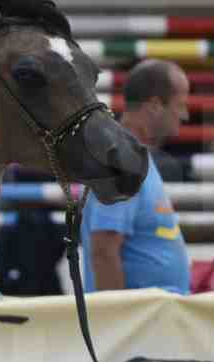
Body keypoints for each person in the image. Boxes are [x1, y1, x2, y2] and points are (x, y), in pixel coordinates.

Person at [79, 59, 192, 294]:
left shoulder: (133, 156)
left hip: (152, 321)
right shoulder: (121, 160)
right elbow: (104, 251)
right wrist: (121, 324)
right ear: (155, 105)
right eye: (180, 105)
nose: (184, 115)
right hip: (139, 325)